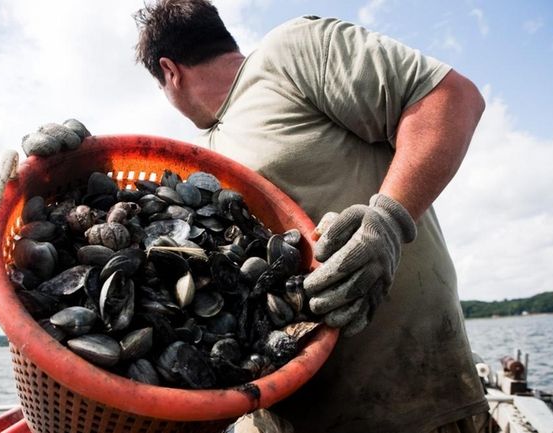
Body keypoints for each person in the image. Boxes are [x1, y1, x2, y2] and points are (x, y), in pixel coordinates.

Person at [133, 1, 488, 432]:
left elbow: (451, 98)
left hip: (411, 396)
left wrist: (388, 223)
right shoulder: (203, 159)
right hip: (291, 413)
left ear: (170, 72)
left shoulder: (289, 52)